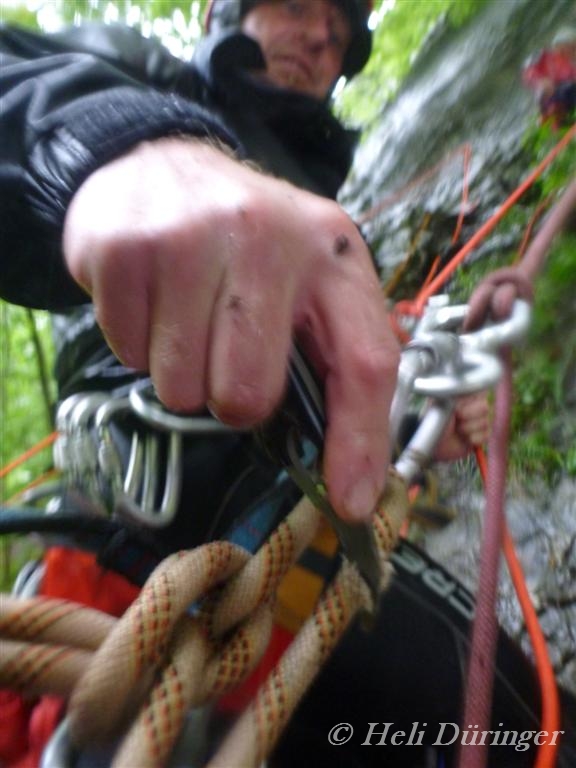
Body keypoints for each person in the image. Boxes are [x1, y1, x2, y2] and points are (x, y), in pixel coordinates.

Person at [0, 2, 528, 766]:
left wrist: (410, 420)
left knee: (520, 721)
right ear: (228, 13)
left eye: (338, 36)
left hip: (304, 550)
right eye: (298, 6)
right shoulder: (142, 75)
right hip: (137, 540)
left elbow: (324, 391)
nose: (319, 37)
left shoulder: (325, 200)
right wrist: (113, 145)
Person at [523, 25, 576, 129]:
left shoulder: (570, 67)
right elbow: (528, 70)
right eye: (572, 47)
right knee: (565, 90)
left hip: (564, 95)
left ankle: (562, 120)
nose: (573, 51)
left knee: (569, 88)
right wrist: (539, 81)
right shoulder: (543, 55)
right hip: (548, 97)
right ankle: (554, 120)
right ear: (559, 45)